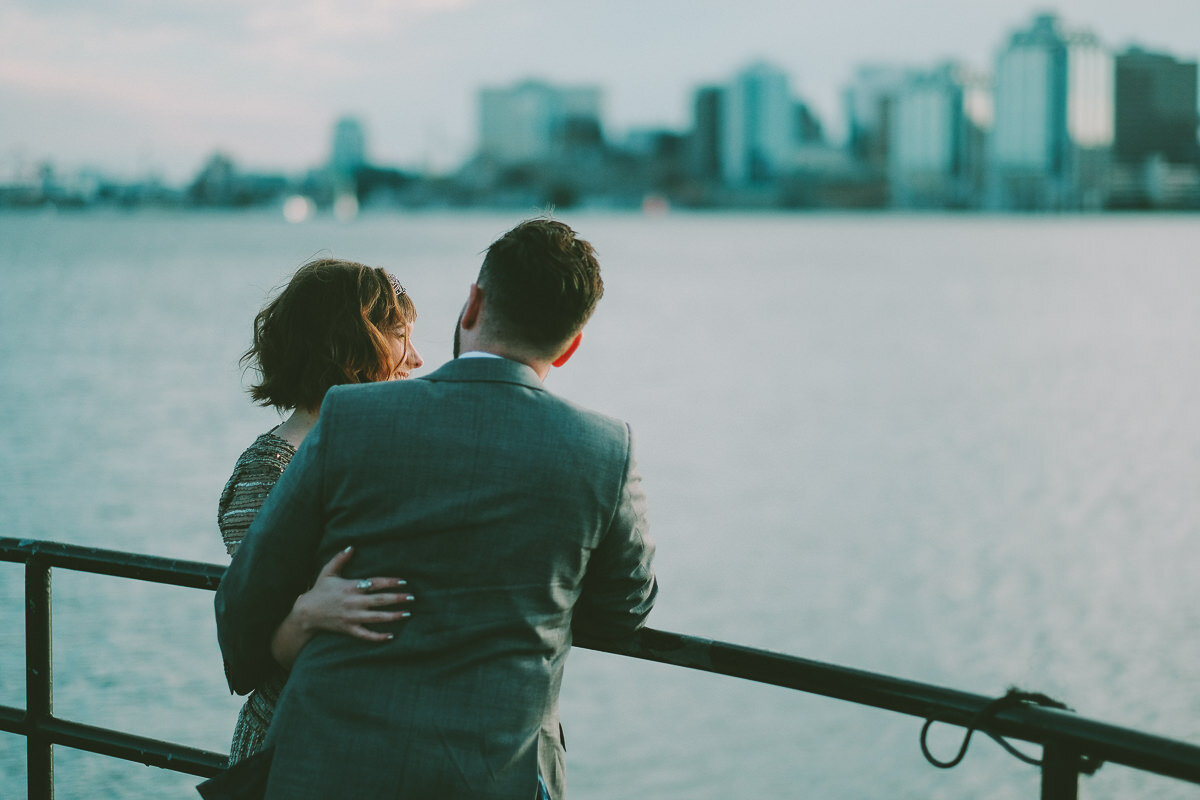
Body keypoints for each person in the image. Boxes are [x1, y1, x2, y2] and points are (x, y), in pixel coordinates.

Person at [214, 219, 658, 799]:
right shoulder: (606, 449)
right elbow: (627, 608)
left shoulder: (351, 417)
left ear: (472, 304)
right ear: (570, 345)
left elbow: (245, 602)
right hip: (499, 773)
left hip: (335, 766)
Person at [217, 257, 423, 764]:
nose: (417, 359)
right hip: (294, 745)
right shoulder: (269, 470)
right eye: (401, 336)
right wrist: (309, 614)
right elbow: (258, 649)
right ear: (351, 344)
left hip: (374, 741)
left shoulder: (384, 450)